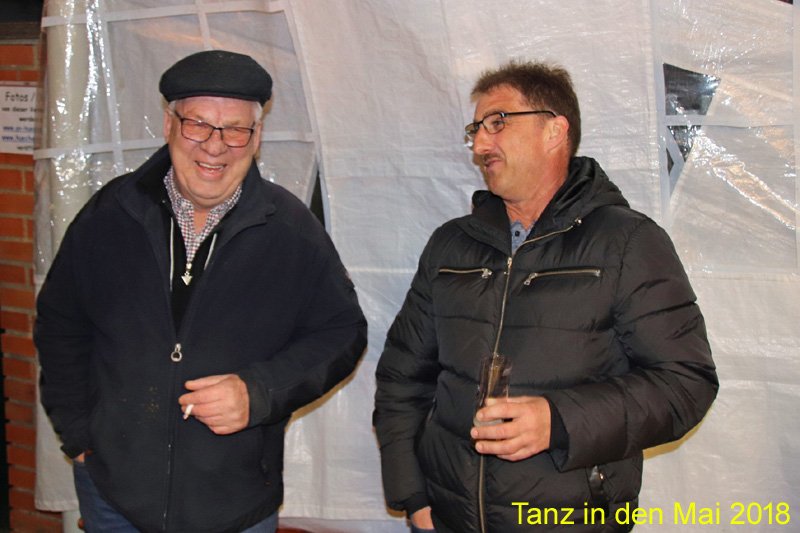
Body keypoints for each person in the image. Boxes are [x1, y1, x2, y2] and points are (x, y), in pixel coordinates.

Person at [373, 60, 718, 533]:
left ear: (554, 130)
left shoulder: (627, 243)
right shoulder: (451, 246)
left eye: (497, 122)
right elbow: (401, 378)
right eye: (476, 129)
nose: (480, 145)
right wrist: (412, 495)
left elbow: (685, 383)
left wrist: (559, 421)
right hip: (451, 517)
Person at [35, 49, 367, 533]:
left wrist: (259, 392)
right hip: (114, 497)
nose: (215, 146)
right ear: (169, 124)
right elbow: (61, 324)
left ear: (256, 138)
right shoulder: (110, 215)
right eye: (198, 125)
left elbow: (341, 332)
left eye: (235, 129)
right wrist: (82, 435)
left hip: (235, 504)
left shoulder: (290, 230)